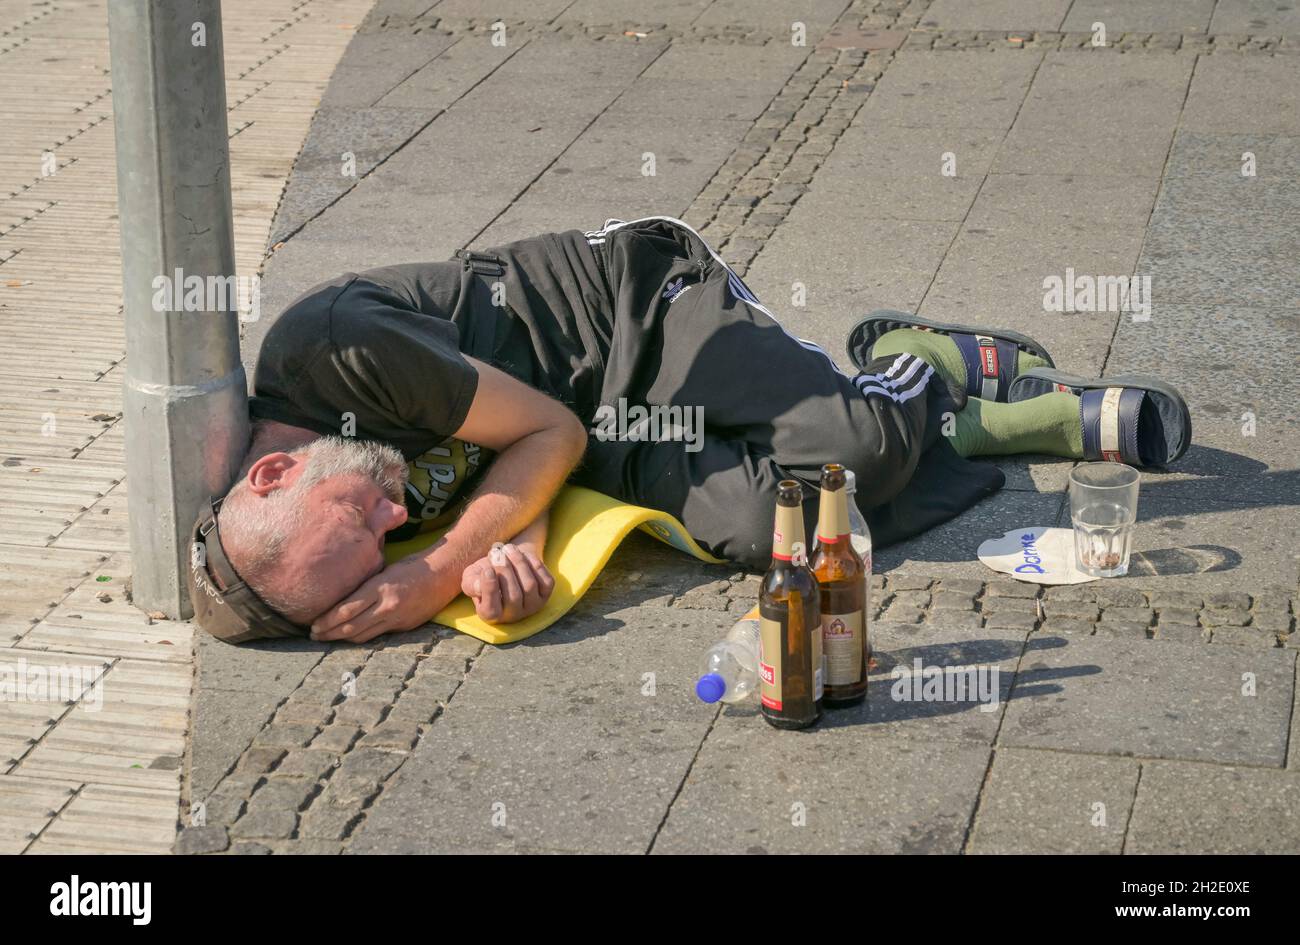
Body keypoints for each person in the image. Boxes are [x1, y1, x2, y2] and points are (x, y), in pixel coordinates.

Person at [188, 215, 1189, 645]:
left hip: (634, 314)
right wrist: (505, 555)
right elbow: (523, 463)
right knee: (785, 524)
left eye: (361, 517)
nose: (390, 516)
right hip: (590, 431)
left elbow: (535, 431)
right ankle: (980, 429)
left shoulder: (337, 350)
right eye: (375, 545)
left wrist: (442, 565)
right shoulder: (329, 510)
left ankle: (918, 367)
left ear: (274, 472)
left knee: (858, 442)